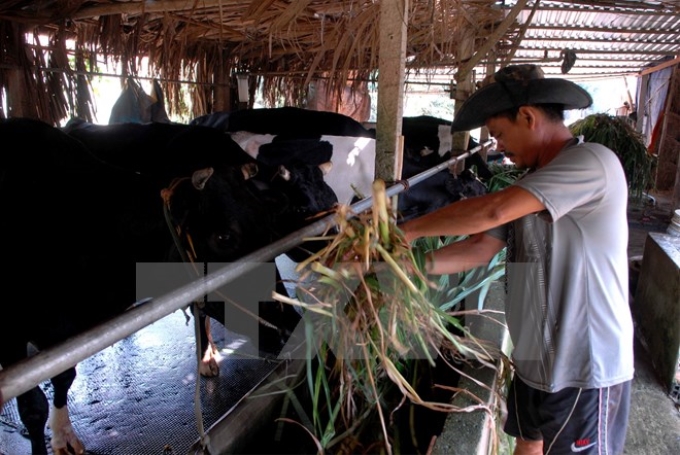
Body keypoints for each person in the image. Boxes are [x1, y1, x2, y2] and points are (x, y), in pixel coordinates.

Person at [399, 64, 634, 455]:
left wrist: (406, 231)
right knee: (527, 443)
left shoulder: (593, 162)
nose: (498, 148)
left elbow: (492, 211)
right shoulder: (531, 186)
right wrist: (398, 265)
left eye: (500, 135)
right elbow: (478, 248)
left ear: (527, 116)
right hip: (534, 359)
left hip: (584, 368)